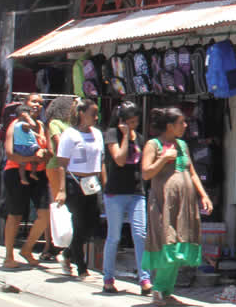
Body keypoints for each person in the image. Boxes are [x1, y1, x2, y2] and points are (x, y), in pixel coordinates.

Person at [142, 107, 212, 306]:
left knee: (179, 246)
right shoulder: (153, 144)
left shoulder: (182, 145)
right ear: (170, 126)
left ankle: (166, 290)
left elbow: (191, 172)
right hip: (164, 204)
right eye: (182, 122)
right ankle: (158, 289)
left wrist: (203, 195)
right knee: (169, 245)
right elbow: (146, 173)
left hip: (184, 205)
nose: (186, 125)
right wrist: (164, 158)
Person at [51, 98, 105, 279]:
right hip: (75, 182)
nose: (96, 117)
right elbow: (61, 163)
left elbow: (101, 160)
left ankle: (67, 253)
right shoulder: (69, 134)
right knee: (79, 224)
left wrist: (105, 182)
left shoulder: (97, 134)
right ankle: (81, 267)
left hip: (92, 184)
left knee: (92, 223)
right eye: (92, 114)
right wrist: (61, 189)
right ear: (82, 114)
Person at [102, 101, 151, 296]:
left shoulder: (139, 138)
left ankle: (145, 278)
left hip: (136, 192)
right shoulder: (112, 134)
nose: (134, 125)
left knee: (140, 235)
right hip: (115, 192)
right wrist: (124, 136)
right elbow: (120, 160)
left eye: (136, 121)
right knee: (114, 237)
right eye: (130, 121)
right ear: (121, 121)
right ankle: (108, 278)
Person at [2, 94, 52, 269]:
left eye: (40, 103)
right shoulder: (15, 125)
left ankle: (27, 249)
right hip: (16, 172)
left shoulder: (41, 126)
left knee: (45, 215)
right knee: (15, 214)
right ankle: (8, 256)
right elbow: (9, 153)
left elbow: (48, 152)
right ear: (25, 104)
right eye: (34, 102)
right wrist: (32, 157)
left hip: (39, 174)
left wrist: (43, 155)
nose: (37, 105)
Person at [38, 96, 77, 262]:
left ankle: (64, 246)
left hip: (72, 167)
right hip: (56, 167)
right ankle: (51, 246)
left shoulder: (73, 124)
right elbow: (58, 144)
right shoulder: (54, 123)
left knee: (68, 207)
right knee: (57, 206)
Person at [12, 105, 42, 186]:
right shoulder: (22, 124)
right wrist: (28, 117)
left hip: (20, 147)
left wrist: (38, 136)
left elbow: (30, 132)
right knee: (35, 160)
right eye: (30, 114)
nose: (31, 116)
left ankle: (23, 178)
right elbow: (33, 126)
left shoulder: (17, 125)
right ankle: (33, 173)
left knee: (22, 165)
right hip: (27, 147)